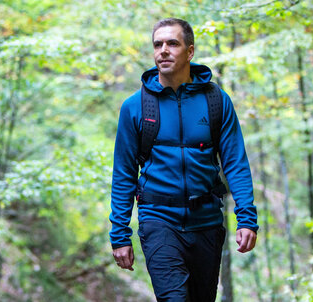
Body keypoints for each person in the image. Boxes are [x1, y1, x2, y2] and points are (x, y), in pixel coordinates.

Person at [109, 18, 258, 301]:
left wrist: (247, 218)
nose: (163, 50)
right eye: (158, 44)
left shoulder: (217, 102)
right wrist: (119, 234)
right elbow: (124, 175)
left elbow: (235, 162)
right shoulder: (135, 107)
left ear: (189, 51)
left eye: (172, 43)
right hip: (158, 221)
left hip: (207, 223)